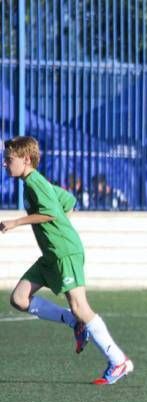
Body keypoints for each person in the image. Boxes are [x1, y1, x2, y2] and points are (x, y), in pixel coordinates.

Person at [1, 136, 133, 385]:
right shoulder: (35, 183)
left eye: (9, 160)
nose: (4, 164)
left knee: (81, 307)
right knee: (19, 299)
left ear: (26, 159)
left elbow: (50, 213)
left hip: (64, 253)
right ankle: (74, 323)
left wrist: (16, 223)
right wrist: (61, 230)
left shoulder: (34, 183)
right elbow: (68, 201)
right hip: (51, 255)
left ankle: (118, 361)